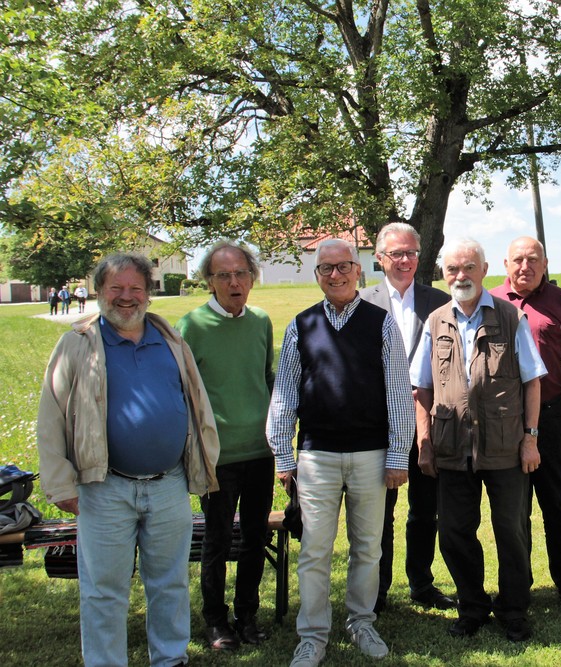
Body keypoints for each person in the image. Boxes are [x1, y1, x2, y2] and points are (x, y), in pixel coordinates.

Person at [36, 253, 220, 667]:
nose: (126, 297)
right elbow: (50, 418)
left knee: (170, 583)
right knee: (103, 588)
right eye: (116, 288)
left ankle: (170, 659)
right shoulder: (78, 344)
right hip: (104, 488)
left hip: (169, 484)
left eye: (135, 288)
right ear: (99, 292)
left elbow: (196, 407)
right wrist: (61, 483)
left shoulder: (170, 341)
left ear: (149, 294)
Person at [267, 238, 414, 665]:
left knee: (368, 546)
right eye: (326, 268)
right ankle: (312, 635)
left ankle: (361, 622)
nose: (335, 274)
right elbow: (285, 394)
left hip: (372, 454)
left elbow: (398, 394)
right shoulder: (301, 325)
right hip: (317, 455)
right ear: (316, 275)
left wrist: (397, 455)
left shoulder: (381, 323)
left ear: (358, 269)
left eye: (343, 266)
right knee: (314, 549)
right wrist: (283, 454)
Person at [411, 238, 546, 642]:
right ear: (443, 273)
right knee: (454, 531)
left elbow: (532, 383)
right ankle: (472, 607)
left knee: (511, 530)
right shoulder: (435, 321)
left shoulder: (509, 317)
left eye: (469, 267)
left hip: (505, 445)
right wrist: (425, 440)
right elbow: (422, 387)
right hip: (451, 446)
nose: (461, 276)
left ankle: (513, 609)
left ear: (485, 269)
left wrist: (530, 439)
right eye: (453, 269)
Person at [176, 241, 275, 651]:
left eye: (241, 274)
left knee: (255, 539)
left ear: (252, 277)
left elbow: (266, 378)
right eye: (223, 275)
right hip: (216, 458)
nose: (234, 282)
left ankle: (247, 615)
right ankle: (215, 621)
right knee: (216, 541)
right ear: (209, 282)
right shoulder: (191, 327)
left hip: (261, 452)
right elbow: (180, 393)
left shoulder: (261, 321)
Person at [489, 236, 561, 610]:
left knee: (557, 501)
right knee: (513, 508)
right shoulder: (491, 302)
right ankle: (518, 587)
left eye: (533, 260)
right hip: (503, 420)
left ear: (545, 263)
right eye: (518, 260)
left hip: (550, 415)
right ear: (505, 263)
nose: (525, 267)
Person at [359, 223, 453, 614]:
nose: (404, 260)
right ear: (380, 258)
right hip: (376, 424)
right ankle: (376, 590)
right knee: (379, 511)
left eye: (411, 253)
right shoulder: (360, 301)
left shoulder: (440, 302)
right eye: (396, 253)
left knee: (425, 508)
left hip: (427, 421)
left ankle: (421, 582)